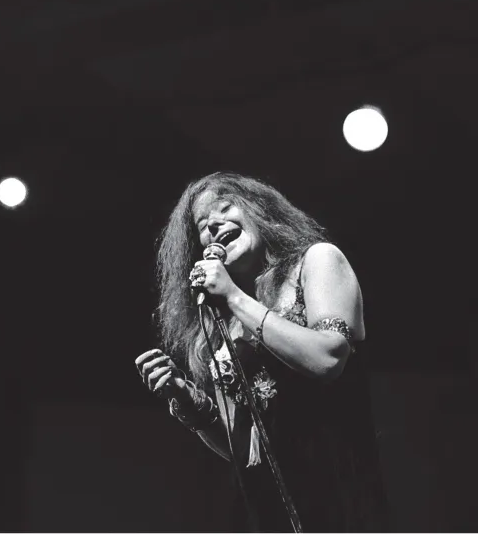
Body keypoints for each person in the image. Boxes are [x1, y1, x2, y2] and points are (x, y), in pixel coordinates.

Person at [135, 171, 389, 532]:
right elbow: (245, 450)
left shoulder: (317, 261)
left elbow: (328, 359)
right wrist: (191, 404)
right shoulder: (222, 325)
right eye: (203, 226)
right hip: (270, 508)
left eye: (225, 209)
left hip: (339, 479)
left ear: (259, 210)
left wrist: (235, 297)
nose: (215, 225)